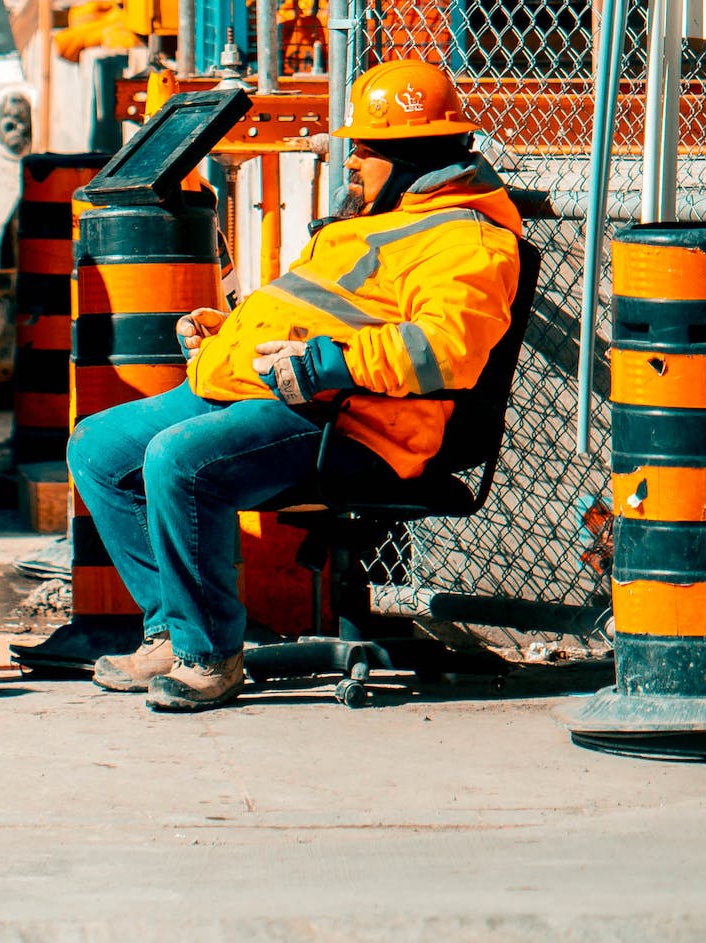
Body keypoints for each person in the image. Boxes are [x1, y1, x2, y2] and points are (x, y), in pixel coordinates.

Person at [65, 59, 521, 712]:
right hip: (272, 390)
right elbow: (316, 308)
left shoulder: (467, 240)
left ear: (412, 155)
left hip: (351, 421)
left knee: (179, 461)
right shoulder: (368, 221)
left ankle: (209, 656)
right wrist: (225, 335)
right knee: (99, 449)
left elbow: (446, 352)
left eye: (364, 149)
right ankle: (170, 629)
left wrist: (330, 365)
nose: (353, 164)